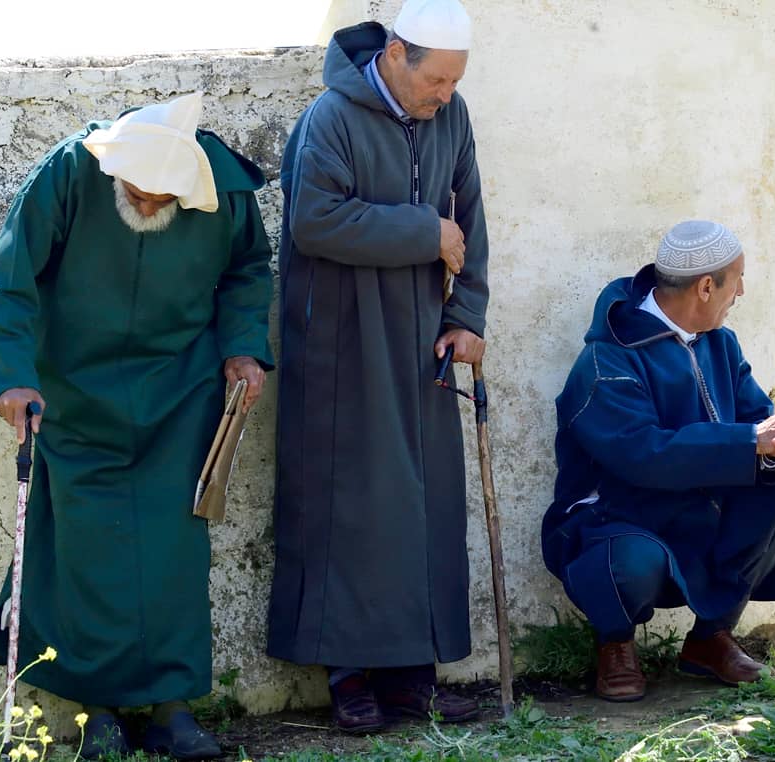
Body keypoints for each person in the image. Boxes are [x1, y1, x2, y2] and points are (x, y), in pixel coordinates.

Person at [0, 92, 274, 759]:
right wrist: (11, 379)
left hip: (179, 393)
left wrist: (244, 347)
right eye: (134, 193)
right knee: (87, 554)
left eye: (157, 200)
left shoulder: (222, 192)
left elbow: (247, 271)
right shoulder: (67, 172)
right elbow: (10, 278)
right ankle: (99, 712)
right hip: (76, 394)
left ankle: (172, 708)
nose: (143, 206)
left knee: (174, 554)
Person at [267, 0, 490, 734]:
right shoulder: (329, 118)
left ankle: (412, 679)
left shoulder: (450, 117)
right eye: (437, 81)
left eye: (455, 83)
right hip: (342, 339)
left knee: (421, 505)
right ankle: (348, 675)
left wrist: (467, 318)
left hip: (423, 335)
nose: (445, 96)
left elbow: (473, 219)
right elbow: (315, 220)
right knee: (352, 503)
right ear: (396, 53)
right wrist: (424, 231)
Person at [540, 220, 775, 702]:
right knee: (632, 559)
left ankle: (709, 639)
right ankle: (615, 644)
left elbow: (755, 421)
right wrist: (750, 441)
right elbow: (643, 455)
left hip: (693, 509)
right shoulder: (606, 361)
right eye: (737, 279)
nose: (742, 291)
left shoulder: (720, 342)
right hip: (614, 520)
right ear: (706, 285)